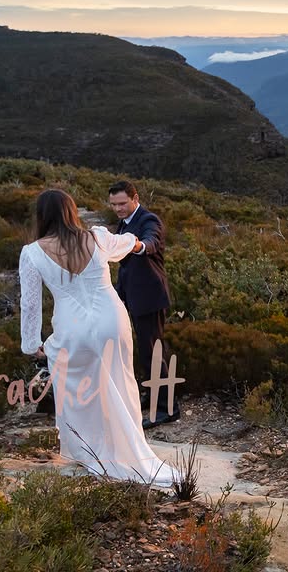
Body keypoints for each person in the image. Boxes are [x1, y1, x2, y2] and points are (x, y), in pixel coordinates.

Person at [18, 189, 177, 485]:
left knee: (79, 391)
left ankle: (91, 452)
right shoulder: (96, 237)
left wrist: (31, 344)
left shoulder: (32, 253)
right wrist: (137, 241)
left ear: (41, 216)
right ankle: (129, 450)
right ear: (71, 211)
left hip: (72, 326)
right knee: (121, 382)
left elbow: (29, 304)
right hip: (111, 319)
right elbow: (128, 243)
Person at [107, 180, 179, 428]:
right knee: (144, 350)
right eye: (114, 204)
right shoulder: (124, 222)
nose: (118, 209)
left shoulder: (149, 220)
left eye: (122, 203)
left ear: (135, 198)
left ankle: (167, 409)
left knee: (154, 352)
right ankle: (154, 395)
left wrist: (136, 245)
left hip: (149, 296)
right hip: (131, 295)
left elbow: (151, 242)